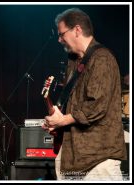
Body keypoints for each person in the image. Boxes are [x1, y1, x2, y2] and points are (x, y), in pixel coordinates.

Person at [42, 8, 127, 181]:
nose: (59, 39)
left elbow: (96, 106)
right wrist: (57, 122)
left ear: (77, 30)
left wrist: (63, 120)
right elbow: (74, 105)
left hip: (98, 159)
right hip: (73, 157)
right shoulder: (74, 61)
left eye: (62, 34)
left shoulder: (102, 58)